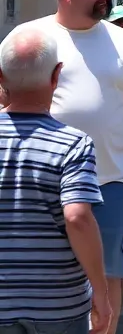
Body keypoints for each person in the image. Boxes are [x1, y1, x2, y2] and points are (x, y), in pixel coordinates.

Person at [1, 0, 123, 334]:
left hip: (109, 183)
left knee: (108, 275)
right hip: (40, 182)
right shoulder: (29, 37)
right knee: (42, 271)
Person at [0, 25, 111, 334]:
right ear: (56, 75)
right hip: (60, 304)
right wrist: (101, 293)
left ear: (0, 77)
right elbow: (77, 218)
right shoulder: (73, 144)